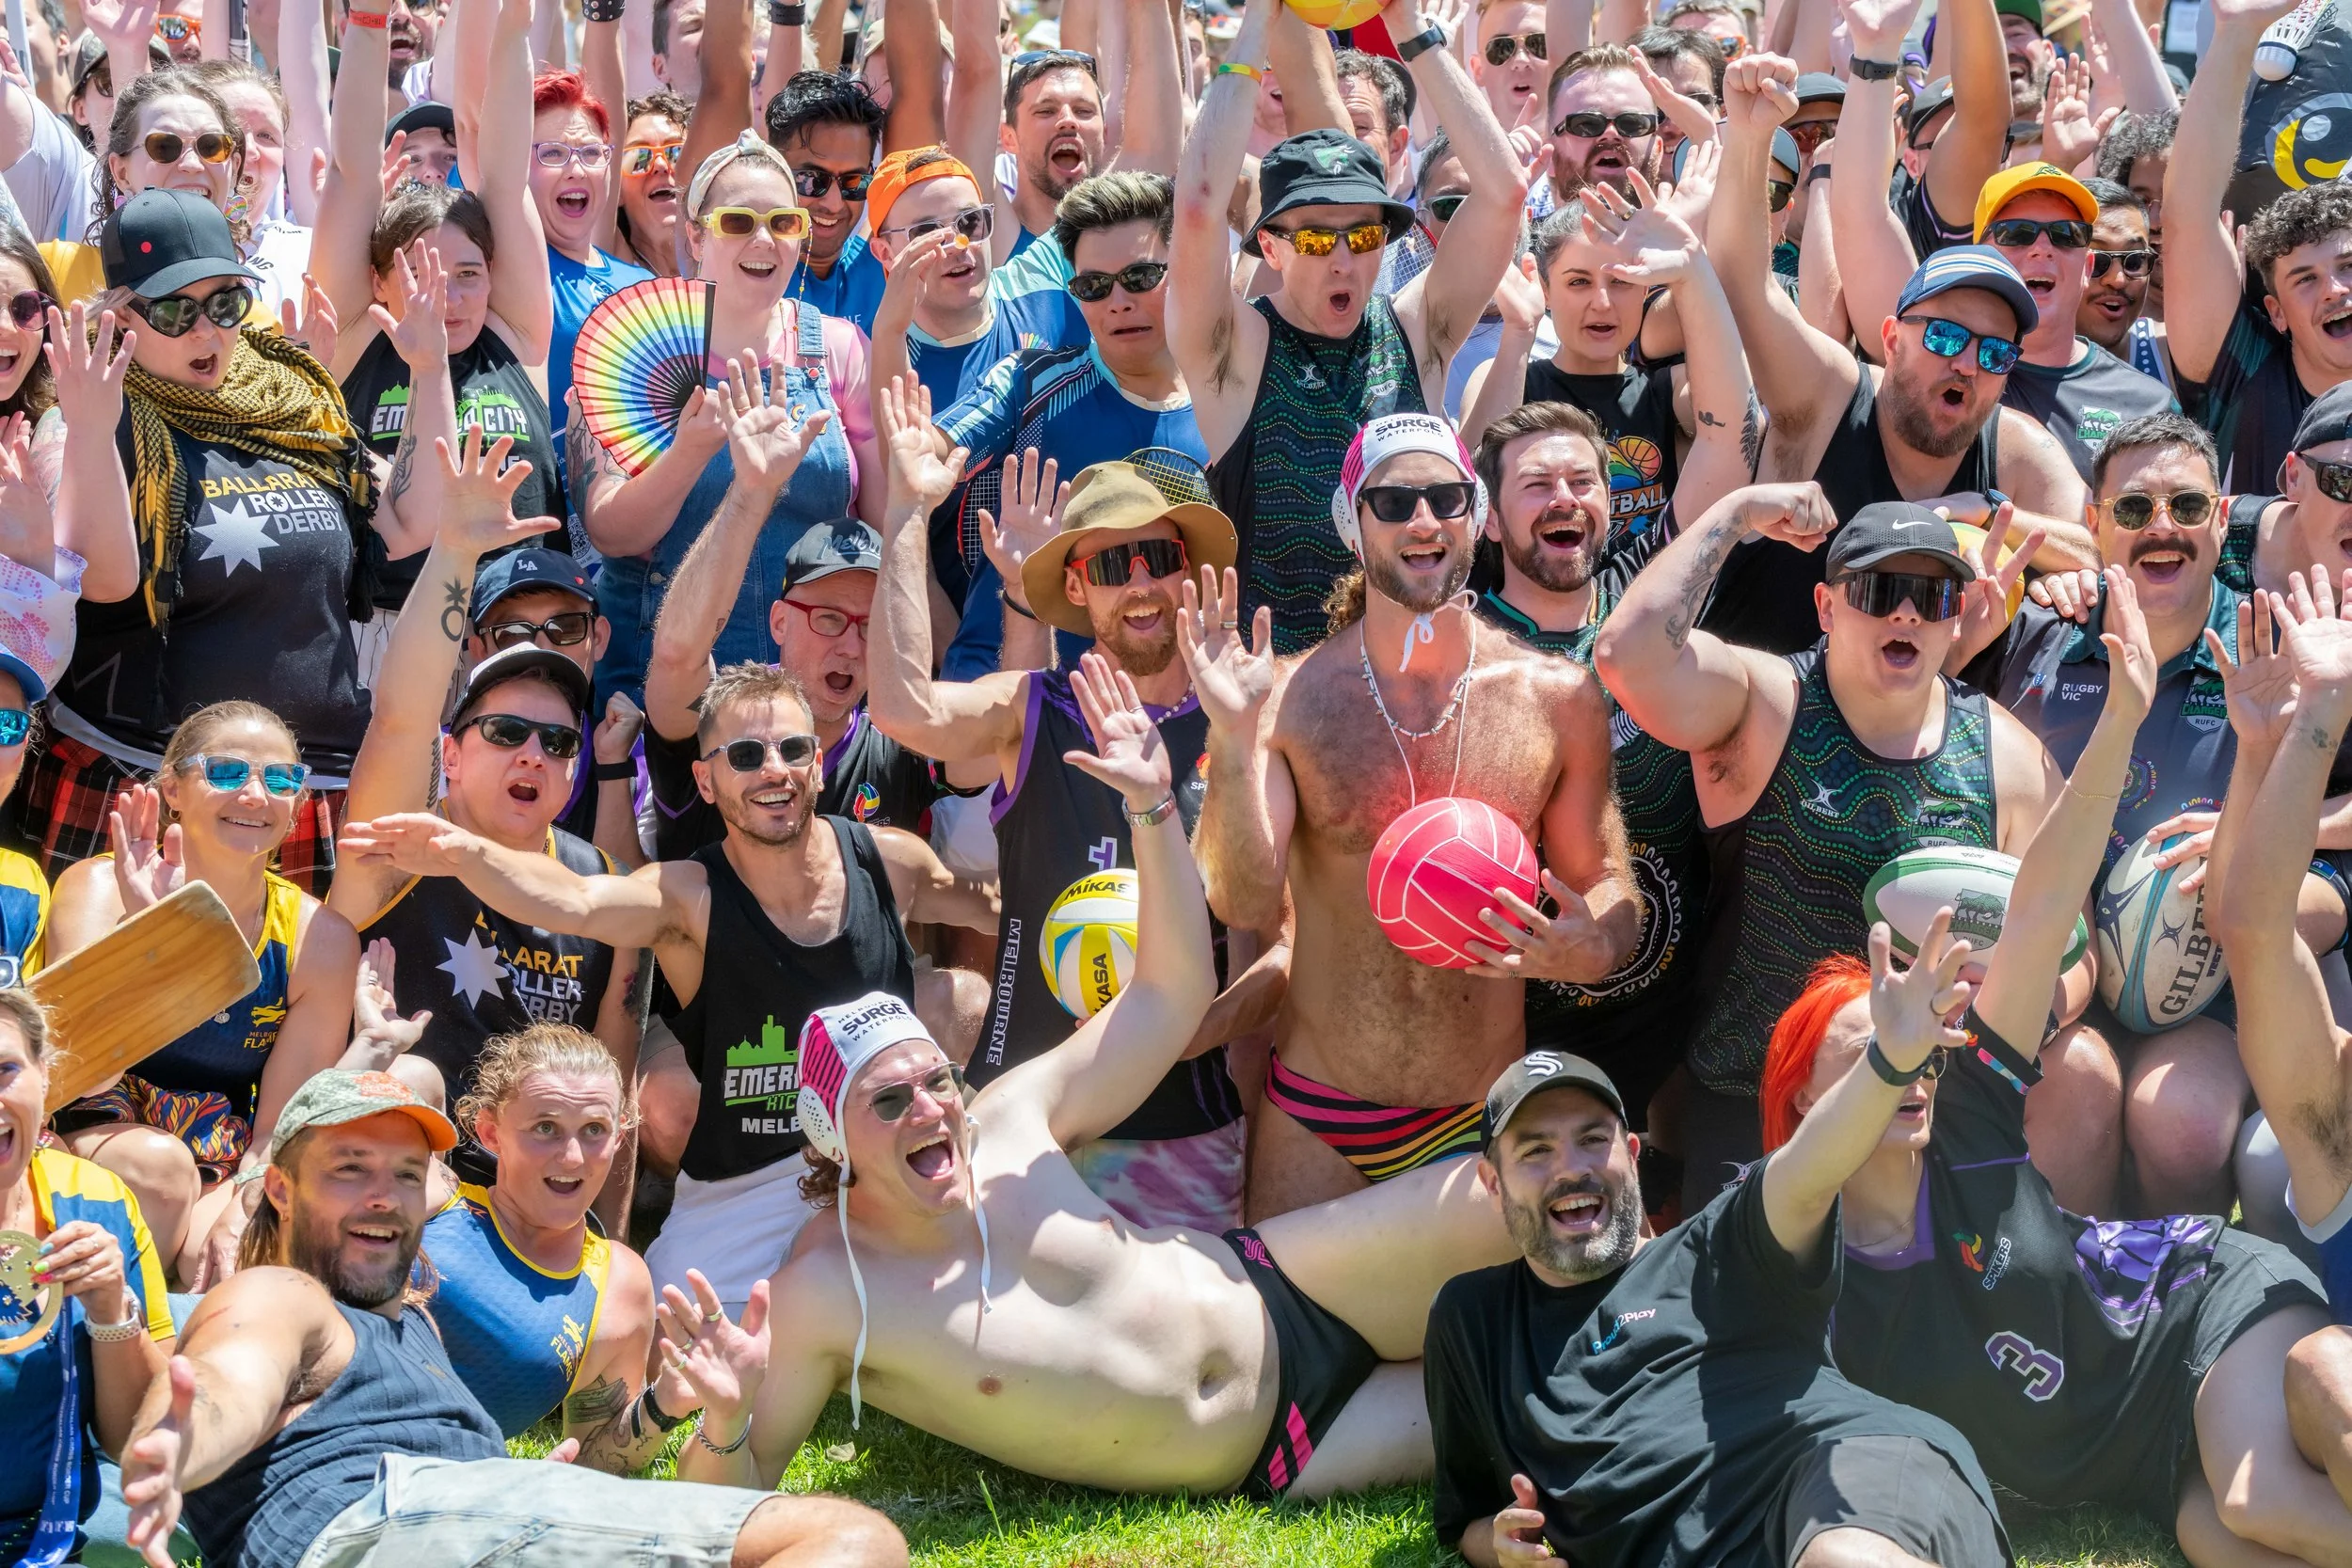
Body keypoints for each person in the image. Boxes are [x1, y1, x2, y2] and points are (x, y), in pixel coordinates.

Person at [670, 658, 1518, 1501]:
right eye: (890, 1100)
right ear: (833, 1138)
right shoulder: (826, 1286)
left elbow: (1167, 994)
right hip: (1281, 1448)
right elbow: (724, 1497)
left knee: (1532, 1194)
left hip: (1281, 1283)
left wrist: (1150, 805)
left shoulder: (1005, 1120)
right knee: (1537, 1401)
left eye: (934, 1079)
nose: (932, 1107)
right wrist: (724, 1416)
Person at [1767, 566, 2352, 1565]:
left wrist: (2121, 717)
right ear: (1796, 1100)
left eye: (1910, 1043)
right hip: (2141, 1451)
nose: (1907, 1065)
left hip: (2192, 1314)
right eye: (1867, 1055)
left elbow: (2040, 914)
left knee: (2256, 1497)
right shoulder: (1772, 1242)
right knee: (2219, 1530)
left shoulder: (1968, 1121)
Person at [338, 656, 995, 1317]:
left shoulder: (891, 860)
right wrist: (462, 852)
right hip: (744, 1185)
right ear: (705, 781)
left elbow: (997, 905)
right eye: (745, 753)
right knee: (668, 1327)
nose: (774, 769)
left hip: (881, 1160)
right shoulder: (686, 896)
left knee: (968, 1003)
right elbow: (575, 901)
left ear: (819, 765)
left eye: (794, 748)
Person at [114, 1067, 908, 1568]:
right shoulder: (281, 1294)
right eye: (349, 1170)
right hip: (375, 1520)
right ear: (281, 1191)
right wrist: (174, 1446)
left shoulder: (415, 1323)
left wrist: (674, 1407)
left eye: (403, 1171)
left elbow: (602, 1459)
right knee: (850, 1543)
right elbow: (228, 1376)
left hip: (465, 1511)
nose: (385, 1193)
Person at [1423, 957, 2010, 1566]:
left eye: (1593, 1139)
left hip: (1842, 1475)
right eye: (1536, 1150)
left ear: (1630, 1153)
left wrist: (1887, 1063)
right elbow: (1467, 1516)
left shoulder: (1715, 1247)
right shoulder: (1473, 1320)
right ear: (1493, 1183)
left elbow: (1803, 1175)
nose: (1572, 1167)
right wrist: (1498, 1546)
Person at [1594, 488, 2088, 1210]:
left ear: (1957, 614)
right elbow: (1626, 654)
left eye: (1932, 594)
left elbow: (2076, 946)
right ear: (1826, 607)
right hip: (1757, 1100)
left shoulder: (2008, 760)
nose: (1907, 613)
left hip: (1924, 1114)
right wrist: (1734, 514)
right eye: (1882, 589)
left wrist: (2024, 1005)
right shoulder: (1763, 706)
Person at [1196, 413, 1636, 1220]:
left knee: (1478, 1348)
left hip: (1484, 1116)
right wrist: (1229, 740)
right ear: (1352, 523)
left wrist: (1595, 944)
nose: (1424, 520)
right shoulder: (1287, 700)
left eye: (1446, 497)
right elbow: (1244, 901)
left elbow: (1606, 881)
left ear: (1479, 516)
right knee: (1300, 1346)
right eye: (1394, 502)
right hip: (1319, 1112)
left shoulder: (1555, 698)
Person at [871, 381, 1260, 1231]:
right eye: (1114, 567)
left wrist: (1194, 1022)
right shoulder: (1034, 708)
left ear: (1191, 568)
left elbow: (1280, 936)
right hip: (1025, 1123)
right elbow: (903, 709)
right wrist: (904, 512)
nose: (1144, 585)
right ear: (1079, 590)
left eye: (1159, 557)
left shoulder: (1246, 714)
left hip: (1184, 1136)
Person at [1961, 415, 2342, 1218]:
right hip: (2060, 973)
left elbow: (2332, 871)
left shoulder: (2284, 650)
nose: (2161, 526)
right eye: (2133, 510)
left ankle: (2177, 1312)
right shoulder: (2036, 636)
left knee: (2184, 1123)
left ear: (2222, 513)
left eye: (2187, 505)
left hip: (2209, 993)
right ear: (2094, 526)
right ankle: (2075, 1311)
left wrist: (2264, 855)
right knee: (2071, 1098)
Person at [23, 189, 425, 895]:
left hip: (310, 787)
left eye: (227, 303)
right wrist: (89, 427)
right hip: (152, 788)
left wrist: (432, 368)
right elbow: (100, 581)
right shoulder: (89, 406)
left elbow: (412, 519)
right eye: (177, 311)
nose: (207, 330)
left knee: (308, 998)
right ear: (120, 318)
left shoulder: (290, 395)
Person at [323, 431, 644, 1216]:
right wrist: (458, 551)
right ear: (453, 756)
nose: (532, 754)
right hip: (398, 1197)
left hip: (537, 1207)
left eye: (557, 740)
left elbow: (616, 1100)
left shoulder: (605, 888)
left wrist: (608, 1253)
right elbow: (398, 719)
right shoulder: (401, 849)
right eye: (504, 733)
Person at [1172, 0, 1527, 653]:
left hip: (1417, 688)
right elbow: (1195, 206)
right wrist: (1258, 18)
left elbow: (1504, 193)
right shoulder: (1236, 351)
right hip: (1284, 707)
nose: (1342, 259)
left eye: (1362, 234)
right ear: (1270, 247)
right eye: (1315, 237)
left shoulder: (1419, 330)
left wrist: (1405, 27)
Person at [1710, 52, 2090, 655]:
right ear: (1891, 339)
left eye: (1994, 354)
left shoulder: (2015, 450)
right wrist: (1751, 138)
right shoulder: (1829, 395)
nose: (1967, 364)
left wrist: (1987, 513)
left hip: (1903, 738)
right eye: (1943, 337)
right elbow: (1740, 280)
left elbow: (2097, 547)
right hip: (1748, 720)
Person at [50, 700, 363, 1285]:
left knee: (238, 1259)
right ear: (172, 789)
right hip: (87, 1124)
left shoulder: (319, 938)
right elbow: (77, 1073)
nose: (254, 795)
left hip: (223, 1148)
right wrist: (151, 943)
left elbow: (277, 1126)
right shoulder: (96, 888)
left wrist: (246, 1203)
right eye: (225, 772)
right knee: (157, 1170)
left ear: (298, 804)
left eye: (281, 779)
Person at [1467, 401, 1712, 1137]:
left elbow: (1736, 437)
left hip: (1681, 1032)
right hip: (1531, 1045)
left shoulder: (1656, 620)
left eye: (1584, 480)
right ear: (1488, 519)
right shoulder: (1464, 656)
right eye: (1537, 485)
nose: (1565, 498)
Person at [578, 132, 882, 707]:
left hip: (810, 689)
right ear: (695, 234)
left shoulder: (840, 348)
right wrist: (690, 452)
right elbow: (610, 531)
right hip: (667, 682)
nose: (765, 239)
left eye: (786, 223)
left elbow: (877, 527)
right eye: (739, 222)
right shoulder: (631, 345)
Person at [930, 172, 1204, 678]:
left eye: (1142, 277)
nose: (1118, 301)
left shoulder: (1226, 395)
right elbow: (933, 447)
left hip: (1170, 716)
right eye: (1093, 286)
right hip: (1008, 700)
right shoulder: (1030, 383)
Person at [423, 1021, 714, 1474]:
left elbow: (598, 1461)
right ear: (490, 1133)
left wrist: (664, 1406)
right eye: (545, 1128)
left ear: (619, 1138)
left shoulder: (619, 1285)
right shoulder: (433, 1199)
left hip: (445, 1502)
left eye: (595, 1129)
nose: (573, 1157)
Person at [644, 502, 984, 858]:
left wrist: (1023, 602)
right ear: (780, 622)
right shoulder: (717, 723)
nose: (852, 647)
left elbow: (1006, 742)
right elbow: (676, 656)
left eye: (872, 626)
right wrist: (749, 495)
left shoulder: (900, 742)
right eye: (829, 619)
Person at [1832, 143, 2173, 483]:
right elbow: (1862, 217)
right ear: (1980, 256)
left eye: (2066, 235)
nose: (2042, 249)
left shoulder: (2145, 404)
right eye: (2017, 234)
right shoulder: (1928, 359)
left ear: (2087, 267)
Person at [1460, 156, 1754, 548]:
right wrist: (1519, 332)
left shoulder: (1669, 390)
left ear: (1648, 287)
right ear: (1545, 291)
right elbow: (1469, 495)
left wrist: (1690, 266)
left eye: (1621, 281)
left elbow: (1742, 430)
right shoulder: (1505, 378)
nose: (1602, 302)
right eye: (1578, 282)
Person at [0, 987, 175, 1566]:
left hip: (44, 1547)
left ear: (45, 1078)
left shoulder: (96, 1200)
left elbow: (143, 1441)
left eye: (5, 1070)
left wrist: (110, 1312)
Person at [2164, 0, 2352, 491]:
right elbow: (2188, 216)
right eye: (2305, 279)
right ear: (2276, 312)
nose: (2334, 289)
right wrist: (2233, 37)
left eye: (2349, 265)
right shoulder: (2243, 377)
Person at [862, 145, 1086, 413]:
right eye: (926, 232)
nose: (958, 244)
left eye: (969, 222)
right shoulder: (872, 357)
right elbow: (897, 453)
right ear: (884, 252)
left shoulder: (1045, 274)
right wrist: (889, 332)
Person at [525, 70, 652, 451]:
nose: (576, 169)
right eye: (552, 153)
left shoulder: (642, 285)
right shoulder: (504, 271)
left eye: (592, 153)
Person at [761, 72, 887, 330]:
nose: (834, 203)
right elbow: (721, 94)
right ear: (774, 170)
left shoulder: (881, 258)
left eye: (854, 182)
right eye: (812, 179)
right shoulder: (744, 270)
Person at [1538, 44, 1664, 213]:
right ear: (1549, 156)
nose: (1611, 134)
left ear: (1658, 150)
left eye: (1632, 123)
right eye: (1586, 124)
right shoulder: (1512, 239)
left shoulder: (1693, 238)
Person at [2076, 179, 2159, 375]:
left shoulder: (2170, 350)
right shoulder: (2003, 356)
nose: (2117, 280)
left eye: (2134, 260)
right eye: (2097, 260)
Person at [610, 90, 691, 278]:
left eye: (676, 152)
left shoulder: (726, 261)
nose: (661, 166)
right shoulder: (609, 265)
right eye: (639, 156)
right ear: (616, 189)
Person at [1473, 0, 1549, 135]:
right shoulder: (1459, 154)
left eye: (1538, 43)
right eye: (1501, 47)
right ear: (1478, 70)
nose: (1520, 61)